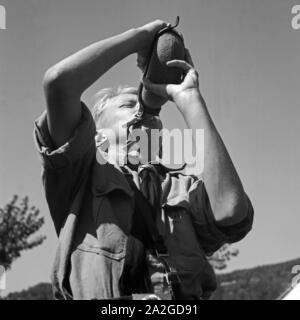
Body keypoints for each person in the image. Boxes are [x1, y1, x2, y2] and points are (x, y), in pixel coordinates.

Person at [34, 19, 254, 300]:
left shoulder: (180, 187)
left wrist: (189, 98)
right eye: (128, 105)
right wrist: (138, 39)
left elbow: (231, 211)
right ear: (97, 137)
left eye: (144, 107)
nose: (142, 110)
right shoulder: (79, 176)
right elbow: (58, 83)